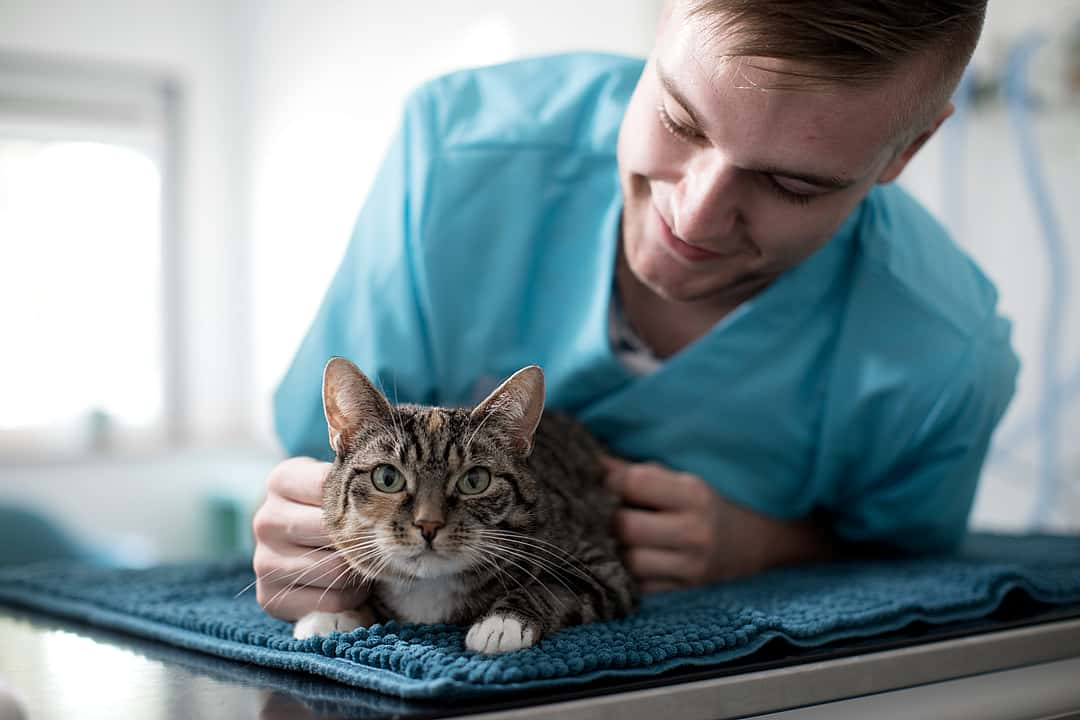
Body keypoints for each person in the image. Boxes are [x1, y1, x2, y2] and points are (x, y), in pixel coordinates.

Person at [253, 0, 1018, 620]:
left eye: (793, 185)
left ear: (905, 152)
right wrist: (298, 531)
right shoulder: (453, 157)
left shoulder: (947, 357)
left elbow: (917, 568)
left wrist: (768, 544)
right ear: (661, 22)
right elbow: (321, 467)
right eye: (681, 121)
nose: (693, 216)